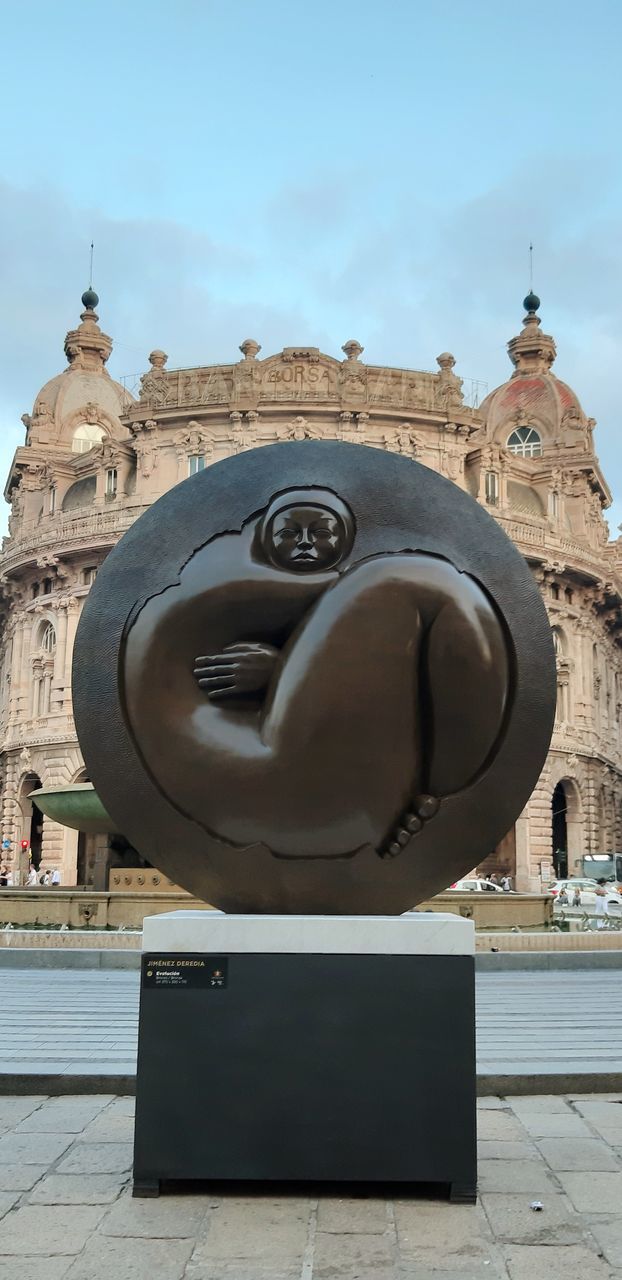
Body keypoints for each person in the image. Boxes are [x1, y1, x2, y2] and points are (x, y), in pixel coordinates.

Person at [124, 487, 510, 862]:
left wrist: (283, 672)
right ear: (267, 537)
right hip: (264, 781)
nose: (306, 543)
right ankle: (441, 788)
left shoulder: (218, 569)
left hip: (243, 789)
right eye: (290, 533)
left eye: (321, 533)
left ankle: (433, 790)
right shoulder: (231, 577)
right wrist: (287, 673)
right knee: (420, 582)